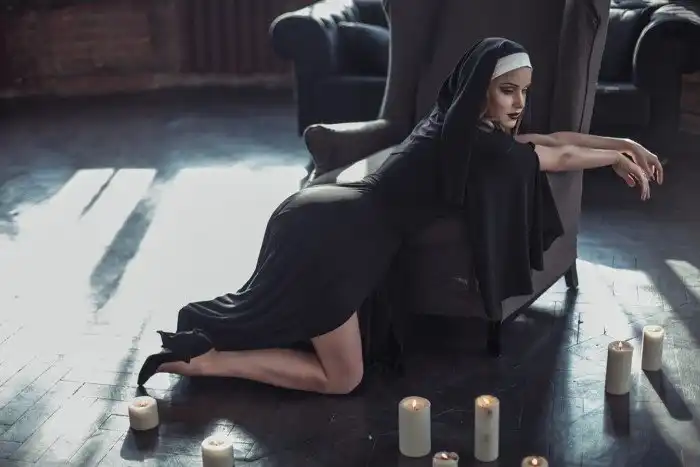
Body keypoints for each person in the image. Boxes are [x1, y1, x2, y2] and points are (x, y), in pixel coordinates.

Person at [137, 37, 663, 395]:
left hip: (317, 212)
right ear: (481, 87)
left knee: (280, 323)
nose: (519, 102)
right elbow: (560, 155)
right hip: (336, 240)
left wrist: (624, 144)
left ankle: (203, 350)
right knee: (342, 379)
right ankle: (205, 362)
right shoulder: (481, 147)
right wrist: (613, 159)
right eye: (508, 90)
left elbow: (553, 140)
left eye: (525, 91)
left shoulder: (453, 121)